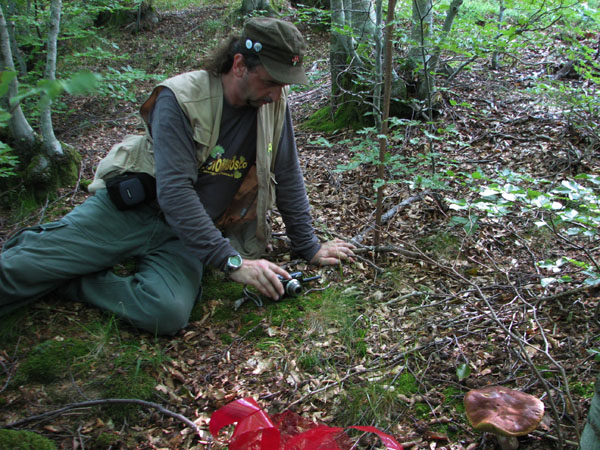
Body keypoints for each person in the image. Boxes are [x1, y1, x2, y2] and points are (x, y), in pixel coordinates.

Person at [0, 17, 355, 335]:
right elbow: (175, 192)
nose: (277, 94)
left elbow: (287, 172)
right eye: (271, 81)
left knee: (165, 312)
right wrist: (232, 262)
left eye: (284, 84)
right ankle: (50, 254)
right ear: (239, 65)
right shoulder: (180, 99)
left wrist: (309, 246)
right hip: (132, 212)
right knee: (12, 275)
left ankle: (70, 279)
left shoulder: (273, 103)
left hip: (187, 234)